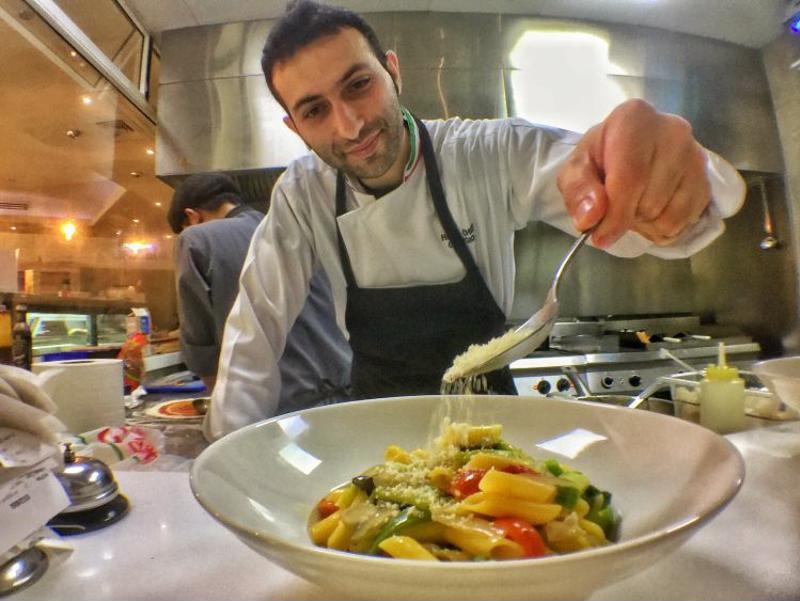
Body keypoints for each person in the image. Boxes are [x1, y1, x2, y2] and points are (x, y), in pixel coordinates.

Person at [205, 0, 745, 439]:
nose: (349, 126)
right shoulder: (303, 191)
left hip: (492, 427)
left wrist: (668, 180)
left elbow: (613, 186)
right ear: (294, 126)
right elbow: (254, 327)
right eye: (315, 110)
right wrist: (227, 459)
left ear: (392, 72)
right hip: (370, 429)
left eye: (357, 85)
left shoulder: (487, 152)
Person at [167, 172, 352, 420]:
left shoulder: (195, 238)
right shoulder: (290, 227)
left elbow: (199, 340)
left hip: (282, 410)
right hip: (347, 392)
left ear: (192, 216)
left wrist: (220, 411)